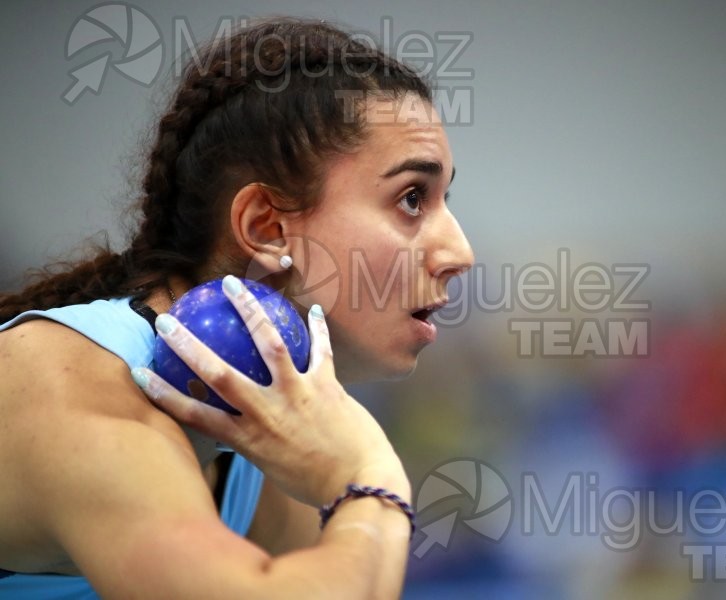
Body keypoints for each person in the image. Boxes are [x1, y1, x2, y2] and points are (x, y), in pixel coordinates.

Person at [0, 17, 473, 599]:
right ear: (266, 226)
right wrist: (370, 474)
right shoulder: (69, 387)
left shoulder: (247, 425)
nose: (460, 252)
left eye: (443, 198)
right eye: (410, 198)